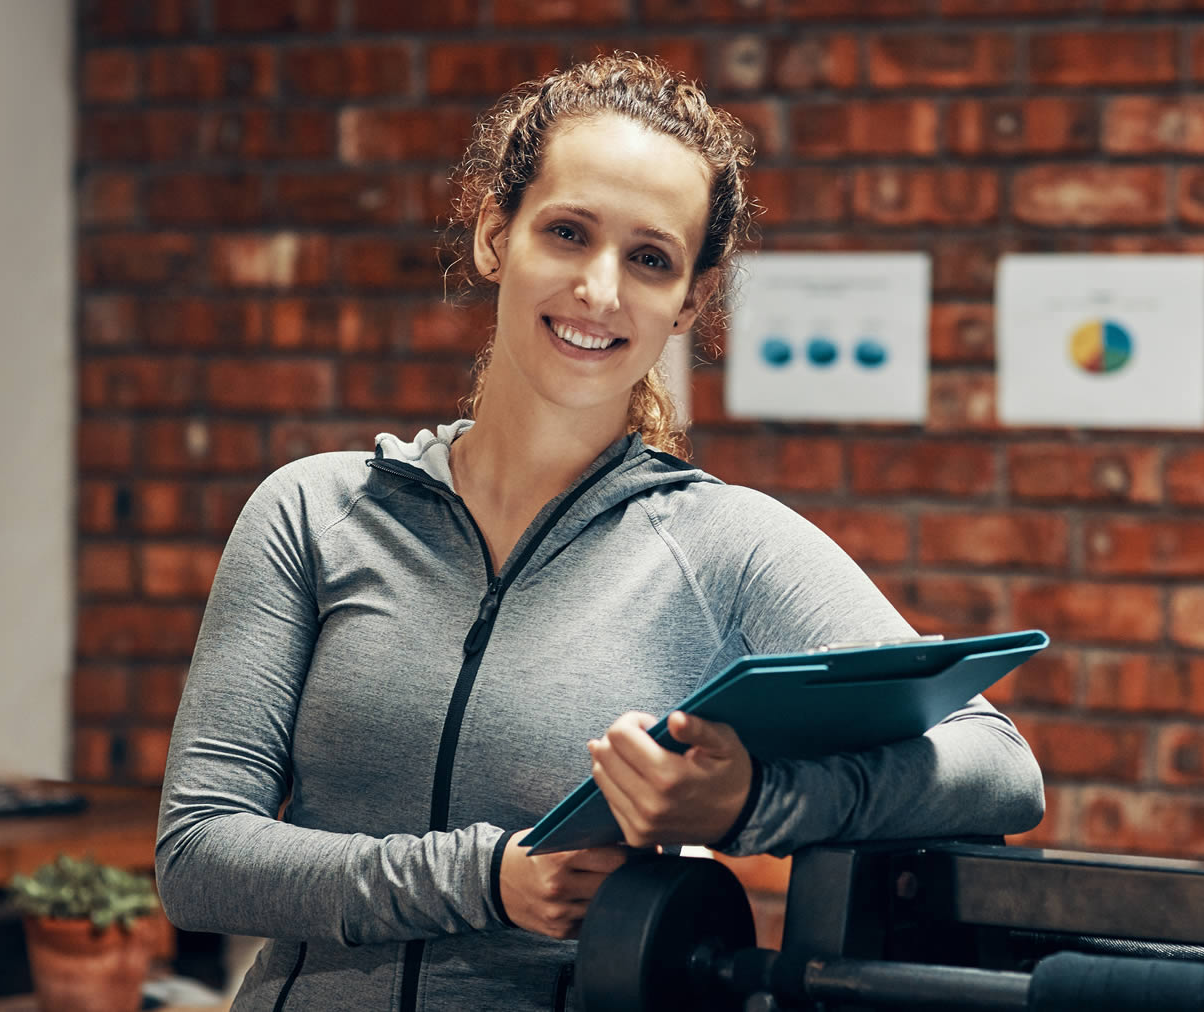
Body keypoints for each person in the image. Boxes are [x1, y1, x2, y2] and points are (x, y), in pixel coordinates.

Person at [155, 53, 1045, 1012]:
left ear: (688, 304)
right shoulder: (316, 512)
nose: (599, 288)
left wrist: (753, 804)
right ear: (498, 235)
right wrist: (489, 878)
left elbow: (998, 768)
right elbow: (200, 853)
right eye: (568, 232)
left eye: (650, 258)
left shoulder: (723, 545)